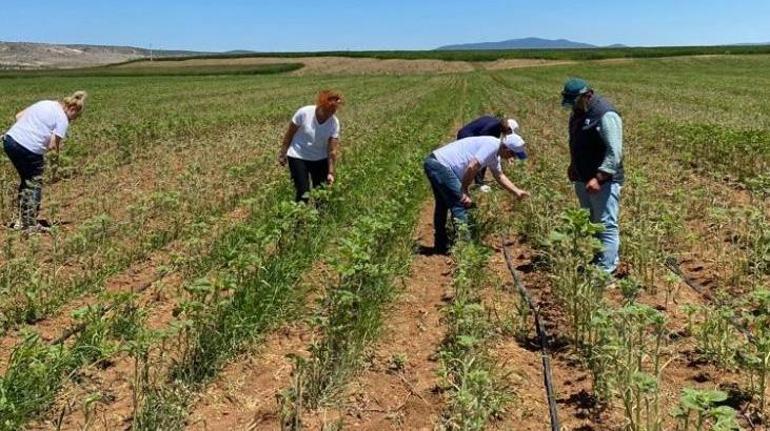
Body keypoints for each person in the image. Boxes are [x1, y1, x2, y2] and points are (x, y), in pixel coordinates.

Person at [423, 133, 529, 254]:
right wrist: (464, 189)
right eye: (513, 153)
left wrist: (517, 191)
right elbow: (472, 166)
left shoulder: (495, 154)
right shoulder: (492, 146)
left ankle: (441, 245)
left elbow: (499, 176)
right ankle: (465, 249)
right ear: (505, 147)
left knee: (443, 204)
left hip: (435, 163)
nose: (513, 157)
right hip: (440, 165)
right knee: (461, 203)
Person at [561, 78, 623, 274]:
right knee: (592, 222)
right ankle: (599, 258)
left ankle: (607, 269)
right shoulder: (578, 113)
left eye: (575, 102)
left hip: (603, 181)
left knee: (605, 224)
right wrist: (573, 165)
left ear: (588, 95)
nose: (573, 107)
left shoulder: (606, 114)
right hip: (583, 177)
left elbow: (614, 152)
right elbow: (576, 141)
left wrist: (600, 177)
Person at [3, 90, 87, 232]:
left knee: (27, 180)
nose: (73, 120)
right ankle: (30, 224)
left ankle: (22, 220)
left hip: (10, 141)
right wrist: (56, 166)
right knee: (34, 183)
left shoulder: (47, 103)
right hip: (29, 150)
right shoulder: (62, 119)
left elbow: (18, 116)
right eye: (75, 117)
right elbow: (53, 145)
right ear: (73, 109)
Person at [278, 90, 342, 202]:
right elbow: (289, 134)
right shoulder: (304, 113)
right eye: (328, 110)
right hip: (298, 155)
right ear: (321, 105)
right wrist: (283, 154)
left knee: (321, 193)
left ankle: (321, 218)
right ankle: (300, 218)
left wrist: (331, 172)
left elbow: (332, 150)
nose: (330, 114)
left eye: (333, 111)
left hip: (320, 159)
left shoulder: (334, 123)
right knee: (303, 192)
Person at [456, 115, 523, 187]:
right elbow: (486, 148)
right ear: (508, 129)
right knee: (481, 158)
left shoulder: (497, 125)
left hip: (469, 134)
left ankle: (478, 181)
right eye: (509, 133)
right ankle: (479, 183)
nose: (508, 135)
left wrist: (509, 155)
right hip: (465, 136)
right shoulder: (493, 128)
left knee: (485, 156)